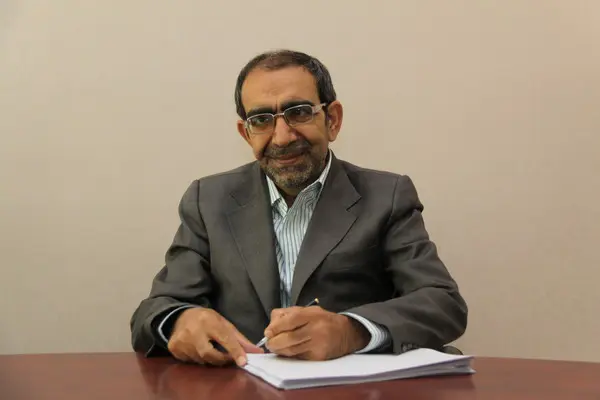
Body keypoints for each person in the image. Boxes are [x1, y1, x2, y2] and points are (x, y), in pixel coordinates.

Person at [130, 49, 468, 367]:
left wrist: (351, 331)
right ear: (246, 133)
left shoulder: (387, 196)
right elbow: (154, 310)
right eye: (261, 120)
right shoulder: (208, 200)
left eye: (300, 112)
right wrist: (179, 321)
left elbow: (442, 303)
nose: (282, 137)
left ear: (332, 119)